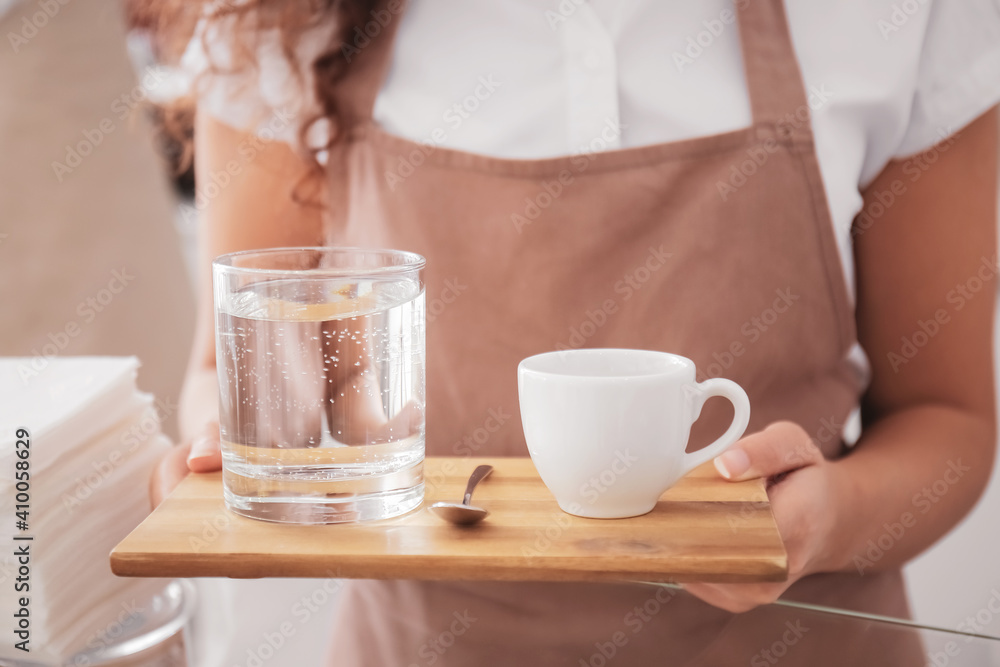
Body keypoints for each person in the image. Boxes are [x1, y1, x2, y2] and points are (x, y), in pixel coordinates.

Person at [152, 0, 1000, 664]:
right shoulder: (276, 17)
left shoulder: (895, 14)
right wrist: (226, 450)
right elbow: (223, 375)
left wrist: (831, 517)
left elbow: (947, 417)